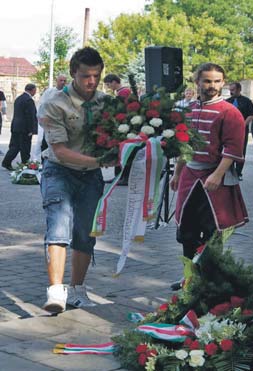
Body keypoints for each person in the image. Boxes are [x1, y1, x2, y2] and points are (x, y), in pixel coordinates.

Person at [38, 47, 108, 314]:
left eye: (96, 76)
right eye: (85, 76)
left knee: (85, 233)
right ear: (72, 75)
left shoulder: (104, 103)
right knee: (58, 227)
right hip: (59, 170)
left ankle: (78, 289)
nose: (91, 82)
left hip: (90, 175)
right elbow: (60, 150)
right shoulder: (54, 103)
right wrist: (99, 162)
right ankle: (56, 292)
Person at [170, 63, 248, 290]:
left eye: (216, 81)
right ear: (197, 82)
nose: (212, 86)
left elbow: (232, 149)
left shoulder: (230, 112)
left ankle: (211, 280)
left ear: (223, 83)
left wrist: (217, 174)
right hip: (189, 177)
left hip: (214, 179)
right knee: (186, 231)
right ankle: (190, 277)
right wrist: (177, 172)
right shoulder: (188, 109)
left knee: (212, 232)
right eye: (207, 81)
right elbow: (184, 143)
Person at [103, 73, 131, 184]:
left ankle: (122, 176)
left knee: (122, 151)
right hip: (121, 123)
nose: (109, 87)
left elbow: (121, 109)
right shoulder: (121, 92)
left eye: (109, 84)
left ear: (115, 82)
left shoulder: (124, 92)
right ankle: (118, 176)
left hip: (123, 124)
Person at [2, 84, 37, 171]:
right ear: (32, 90)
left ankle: (6, 162)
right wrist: (31, 130)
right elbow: (30, 116)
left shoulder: (18, 98)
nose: (35, 92)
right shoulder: (29, 100)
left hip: (16, 126)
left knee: (15, 146)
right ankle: (25, 164)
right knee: (25, 147)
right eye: (35, 90)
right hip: (24, 128)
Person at [33, 74, 68, 162]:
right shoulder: (49, 92)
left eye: (64, 81)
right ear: (57, 81)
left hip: (62, 123)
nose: (63, 82)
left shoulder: (68, 92)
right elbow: (42, 105)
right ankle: (43, 162)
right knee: (44, 142)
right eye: (61, 80)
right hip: (49, 122)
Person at [226, 82, 253, 180]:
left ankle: (238, 172)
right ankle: (229, 170)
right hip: (229, 129)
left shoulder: (246, 101)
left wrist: (243, 125)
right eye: (230, 90)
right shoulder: (227, 101)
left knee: (241, 150)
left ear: (239, 90)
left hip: (242, 130)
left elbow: (251, 114)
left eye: (233, 90)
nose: (231, 92)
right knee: (228, 149)